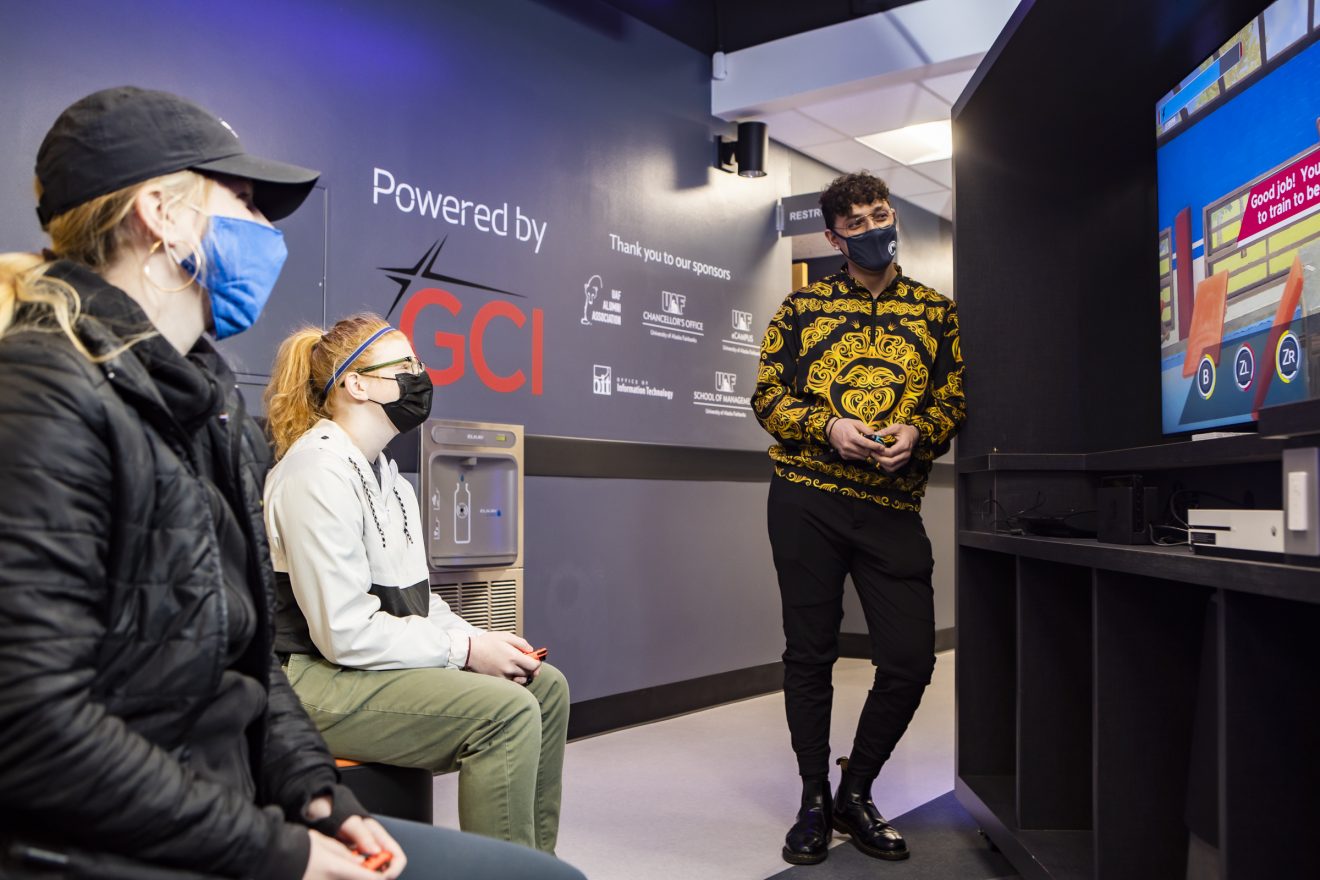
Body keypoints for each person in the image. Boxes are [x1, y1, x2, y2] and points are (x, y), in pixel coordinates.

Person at [0, 86, 583, 880]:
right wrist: (277, 850)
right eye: (241, 200)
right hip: (124, 845)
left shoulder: (210, 416)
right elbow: (32, 729)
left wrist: (318, 798)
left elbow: (249, 666)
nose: (267, 232)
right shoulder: (42, 397)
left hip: (226, 802)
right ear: (159, 213)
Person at [262, 315, 570, 854]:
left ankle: (534, 866)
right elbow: (344, 634)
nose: (420, 375)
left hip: (357, 668)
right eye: (404, 366)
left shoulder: (388, 477)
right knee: (506, 713)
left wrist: (487, 642)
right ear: (355, 385)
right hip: (310, 680)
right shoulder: (316, 470)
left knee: (545, 689)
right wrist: (466, 651)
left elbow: (418, 604)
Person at [751, 171, 966, 865]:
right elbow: (767, 399)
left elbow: (952, 400)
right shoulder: (801, 308)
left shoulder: (937, 312)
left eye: (881, 214)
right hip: (806, 498)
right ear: (833, 236)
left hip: (893, 509)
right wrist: (826, 425)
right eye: (859, 222)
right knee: (809, 652)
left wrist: (919, 432)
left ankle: (857, 788)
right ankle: (813, 799)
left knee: (908, 659)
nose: (875, 229)